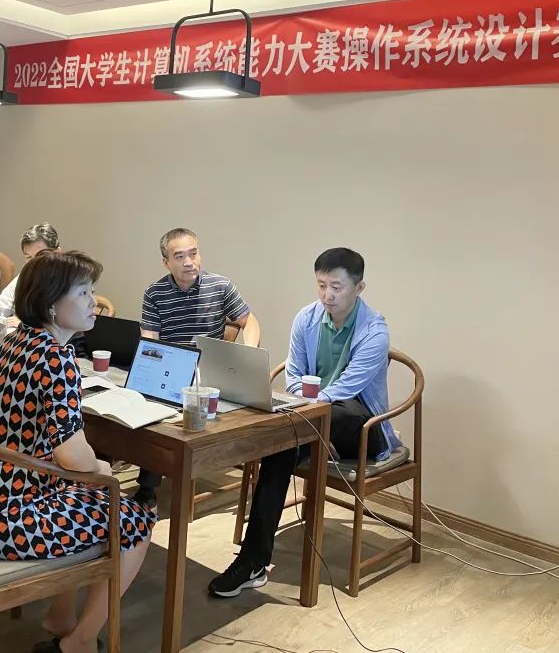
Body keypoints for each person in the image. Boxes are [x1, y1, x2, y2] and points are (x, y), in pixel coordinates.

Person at [0, 250, 153, 653]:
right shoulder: (57, 358)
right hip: (9, 522)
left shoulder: (12, 342)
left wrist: (92, 470)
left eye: (92, 291)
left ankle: (61, 616)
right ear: (50, 305)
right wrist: (103, 468)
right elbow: (73, 458)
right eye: (83, 293)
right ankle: (79, 640)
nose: (94, 302)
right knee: (136, 520)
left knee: (88, 492)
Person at [208, 248, 404, 599]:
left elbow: (347, 390)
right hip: (312, 421)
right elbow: (294, 375)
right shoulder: (306, 318)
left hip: (362, 429)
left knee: (332, 415)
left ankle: (253, 559)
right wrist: (311, 422)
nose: (328, 295)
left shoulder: (375, 331)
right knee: (281, 448)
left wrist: (311, 417)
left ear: (359, 288)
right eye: (321, 285)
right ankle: (252, 562)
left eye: (337, 287)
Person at [134, 227, 260, 507]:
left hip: (210, 374)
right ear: (166, 262)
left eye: (193, 253)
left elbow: (248, 320)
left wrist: (248, 351)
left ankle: (188, 466)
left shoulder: (221, 285)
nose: (189, 262)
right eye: (179, 256)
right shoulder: (155, 293)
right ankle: (148, 487)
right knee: (150, 411)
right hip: (173, 370)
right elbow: (150, 340)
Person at [0, 221, 60, 325]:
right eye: (28, 257)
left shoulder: (68, 279)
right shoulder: (26, 273)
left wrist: (27, 322)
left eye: (40, 256)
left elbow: (63, 321)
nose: (33, 263)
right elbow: (4, 301)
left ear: (56, 253)